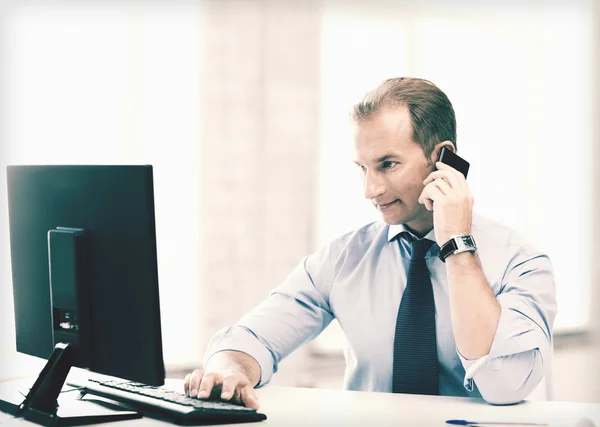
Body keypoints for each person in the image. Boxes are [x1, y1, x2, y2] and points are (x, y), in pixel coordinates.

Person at [183, 77, 557, 407]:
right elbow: (253, 337)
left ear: (443, 158)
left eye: (388, 164)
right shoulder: (345, 258)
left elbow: (505, 385)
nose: (370, 190)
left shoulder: (521, 262)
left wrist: (457, 245)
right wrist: (229, 370)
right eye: (363, 168)